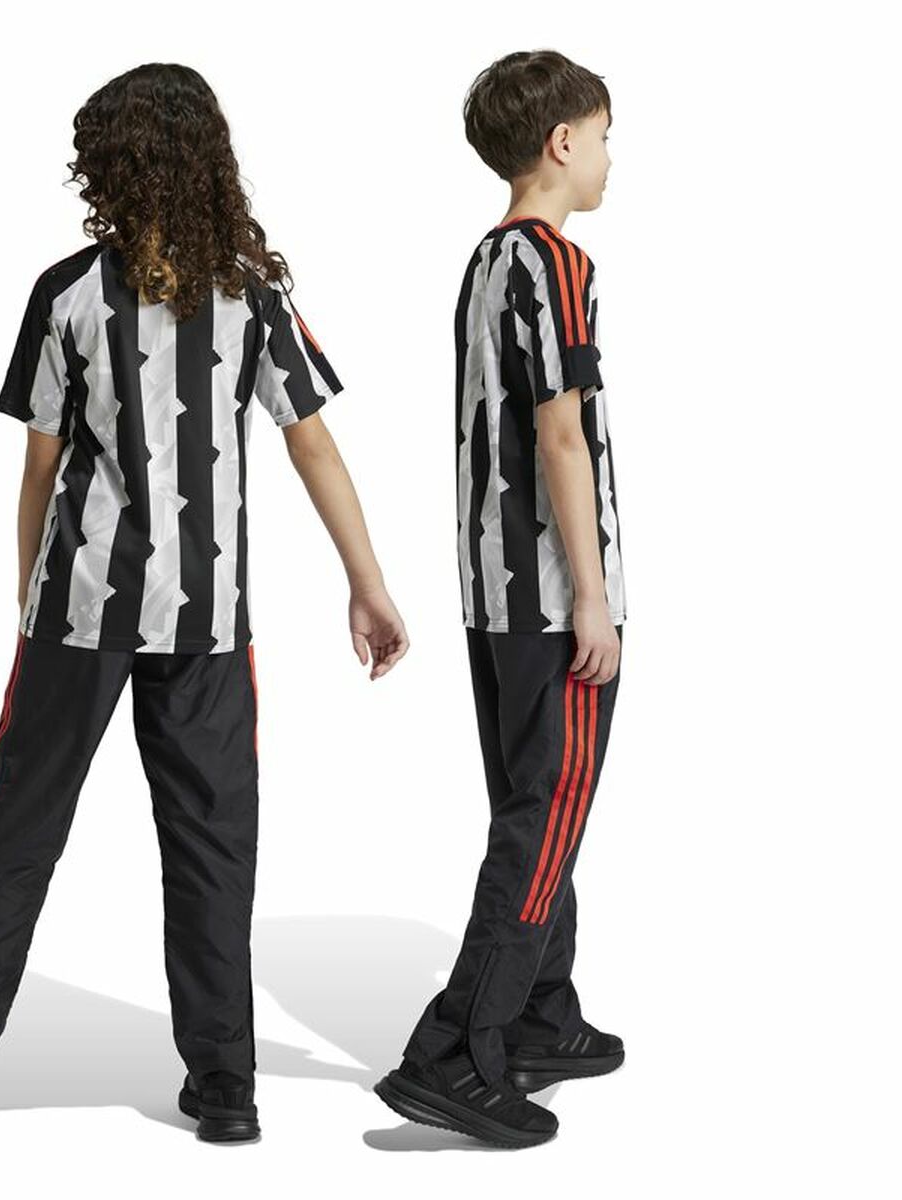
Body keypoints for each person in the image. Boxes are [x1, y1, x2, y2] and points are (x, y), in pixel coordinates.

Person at [0, 62, 408, 1143]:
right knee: (214, 848)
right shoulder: (254, 297)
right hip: (208, 617)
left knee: (20, 826)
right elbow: (312, 444)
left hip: (81, 609)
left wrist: (32, 594)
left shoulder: (67, 291)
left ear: (111, 168)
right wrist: (368, 581)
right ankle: (226, 1087)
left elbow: (41, 465)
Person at [374, 50, 627, 1149]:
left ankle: (539, 1014)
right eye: (605, 137)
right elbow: (560, 435)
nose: (610, 159)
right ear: (562, 143)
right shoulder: (557, 263)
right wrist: (594, 597)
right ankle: (449, 1052)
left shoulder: (485, 261)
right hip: (551, 597)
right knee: (546, 812)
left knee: (533, 805)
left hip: (492, 593)